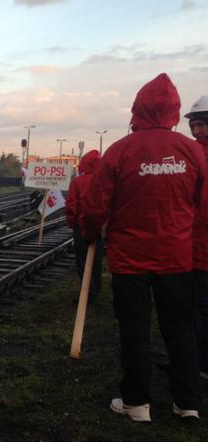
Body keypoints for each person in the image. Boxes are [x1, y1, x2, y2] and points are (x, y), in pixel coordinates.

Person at [82, 74, 206, 422]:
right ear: (174, 109)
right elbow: (201, 203)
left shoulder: (121, 150)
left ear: (138, 108)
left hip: (130, 259)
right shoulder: (193, 150)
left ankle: (136, 404)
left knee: (134, 330)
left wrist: (91, 232)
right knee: (181, 330)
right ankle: (188, 402)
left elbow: (95, 205)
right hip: (177, 258)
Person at [185, 95, 208, 381]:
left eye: (202, 125)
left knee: (202, 308)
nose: (197, 131)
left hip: (199, 245)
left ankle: (201, 364)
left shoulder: (193, 154)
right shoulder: (190, 152)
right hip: (193, 244)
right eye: (195, 125)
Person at [66, 150, 103, 299]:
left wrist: (73, 222)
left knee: (82, 259)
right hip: (99, 227)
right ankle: (96, 288)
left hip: (81, 227)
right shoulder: (104, 180)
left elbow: (71, 204)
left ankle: (86, 290)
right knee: (97, 259)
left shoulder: (77, 182)